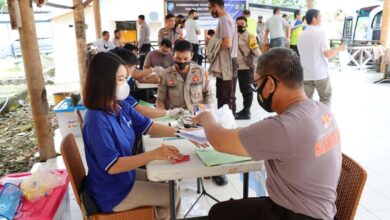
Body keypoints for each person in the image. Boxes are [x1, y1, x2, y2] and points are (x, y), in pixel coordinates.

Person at [193, 48, 342, 220]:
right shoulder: (321, 109)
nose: (257, 90)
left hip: (295, 214)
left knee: (218, 213)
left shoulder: (285, 127)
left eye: (257, 84)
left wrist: (208, 118)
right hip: (322, 211)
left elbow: (220, 141)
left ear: (270, 84)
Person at [82, 52, 183, 220]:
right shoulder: (96, 120)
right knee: (171, 195)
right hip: (112, 191)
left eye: (125, 79)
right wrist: (154, 154)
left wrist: (183, 132)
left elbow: (148, 126)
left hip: (124, 177)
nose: (124, 85)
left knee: (171, 182)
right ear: (104, 82)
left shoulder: (118, 105)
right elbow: (112, 166)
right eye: (120, 80)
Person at [207, 0, 237, 186]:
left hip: (227, 62)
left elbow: (227, 42)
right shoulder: (229, 19)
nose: (210, 11)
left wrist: (212, 42)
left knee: (225, 99)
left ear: (216, 6)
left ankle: (226, 134)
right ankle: (228, 131)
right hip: (229, 62)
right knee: (227, 96)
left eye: (210, 7)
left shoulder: (223, 20)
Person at [110, 47, 184, 119]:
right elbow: (140, 110)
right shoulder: (119, 94)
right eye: (132, 70)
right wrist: (168, 113)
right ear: (125, 67)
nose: (131, 74)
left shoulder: (117, 93)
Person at [298, 9, 345, 107]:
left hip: (305, 74)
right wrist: (339, 49)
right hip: (320, 74)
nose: (321, 19)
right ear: (314, 19)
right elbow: (327, 54)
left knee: (305, 102)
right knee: (325, 99)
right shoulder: (320, 33)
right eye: (320, 17)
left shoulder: (301, 35)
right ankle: (324, 122)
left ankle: (306, 121)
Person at [156, 40, 212, 110]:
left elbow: (208, 95)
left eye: (186, 59)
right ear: (173, 56)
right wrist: (164, 115)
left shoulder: (201, 72)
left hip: (197, 113)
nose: (182, 61)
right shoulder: (165, 74)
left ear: (191, 56)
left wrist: (206, 111)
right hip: (175, 116)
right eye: (178, 58)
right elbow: (160, 100)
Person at [235, 16, 261, 120]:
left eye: (242, 23)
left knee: (246, 90)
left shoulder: (250, 36)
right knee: (241, 89)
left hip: (246, 67)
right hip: (235, 67)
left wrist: (264, 61)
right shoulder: (233, 35)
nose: (240, 25)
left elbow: (256, 50)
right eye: (238, 23)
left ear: (246, 24)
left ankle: (247, 111)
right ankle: (243, 110)